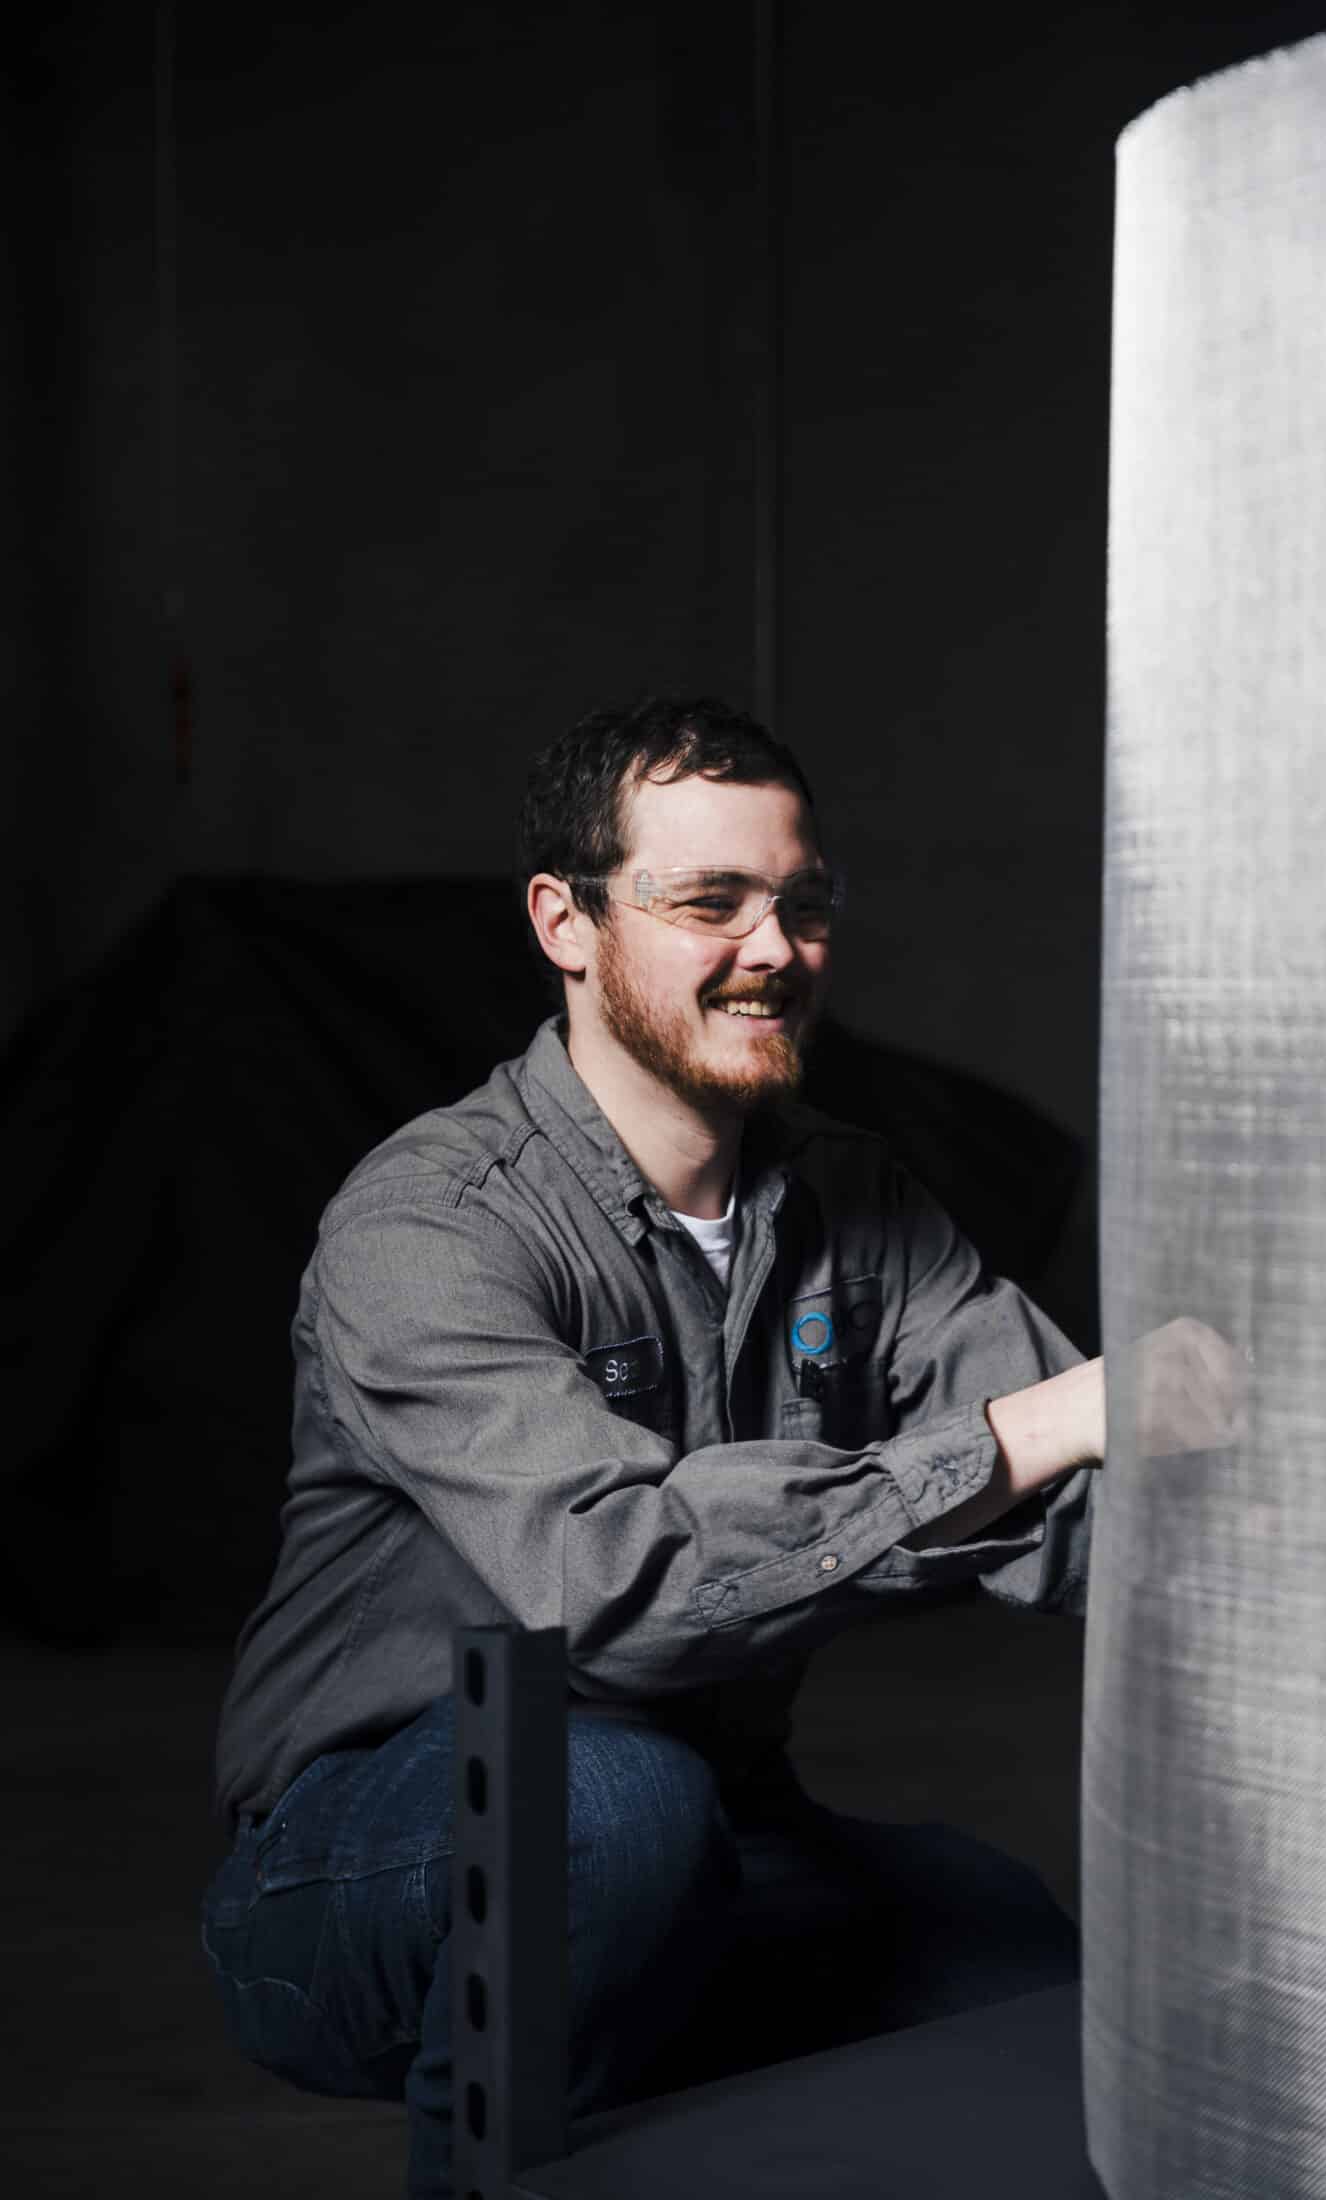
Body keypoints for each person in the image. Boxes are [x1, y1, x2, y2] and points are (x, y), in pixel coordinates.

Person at [201, 694, 1108, 2198]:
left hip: (717, 1825)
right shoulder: (429, 1224)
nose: (774, 951)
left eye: (801, 904)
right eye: (709, 903)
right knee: (610, 1816)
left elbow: (1081, 1499)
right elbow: (613, 1588)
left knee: (1011, 1958)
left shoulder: (856, 1198)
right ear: (565, 922)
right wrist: (1030, 1431)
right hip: (369, 1855)